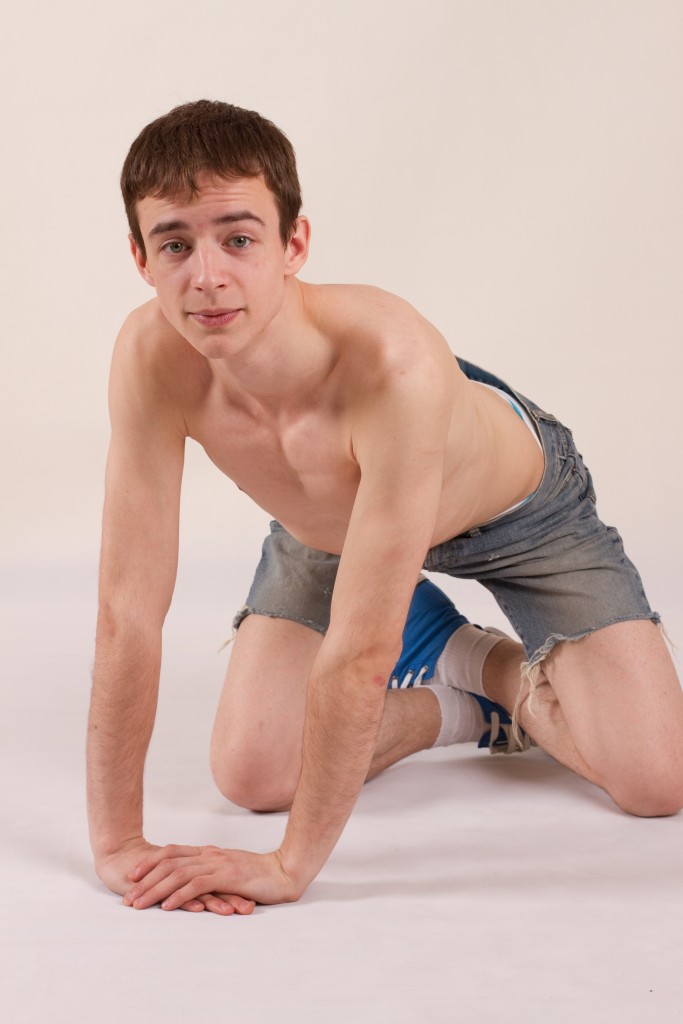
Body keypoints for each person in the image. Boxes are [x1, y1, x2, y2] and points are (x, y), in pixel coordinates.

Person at [87, 99, 683, 917]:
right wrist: (118, 843)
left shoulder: (392, 361)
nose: (207, 276)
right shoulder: (149, 357)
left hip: (515, 515)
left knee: (656, 782)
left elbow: (362, 653)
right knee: (254, 773)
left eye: (238, 238)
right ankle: (473, 683)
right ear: (140, 257)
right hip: (335, 525)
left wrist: (291, 866)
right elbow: (127, 611)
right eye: (175, 245)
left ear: (293, 245)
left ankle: (494, 667)